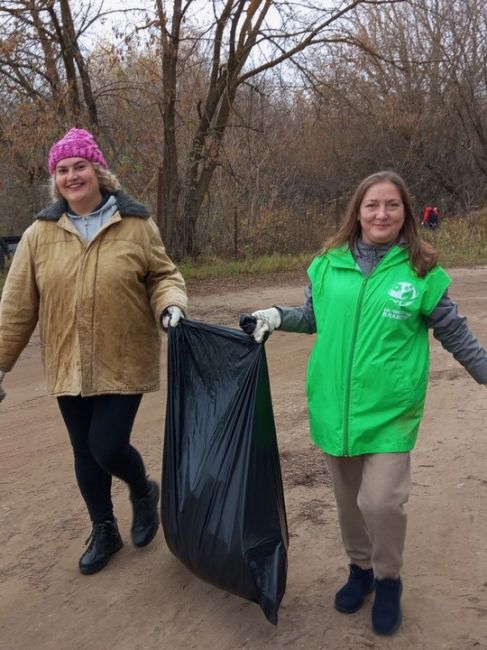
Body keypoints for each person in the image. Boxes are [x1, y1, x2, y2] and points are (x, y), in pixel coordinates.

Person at [241, 171, 487, 635]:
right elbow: (313, 316)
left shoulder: (421, 271)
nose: (381, 213)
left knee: (382, 502)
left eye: (392, 205)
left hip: (391, 411)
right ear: (357, 211)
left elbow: (455, 331)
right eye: (372, 205)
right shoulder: (327, 264)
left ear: (406, 214)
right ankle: (361, 570)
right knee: (349, 502)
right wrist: (275, 317)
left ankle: (389, 579)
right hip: (334, 407)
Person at [0, 128, 188, 575]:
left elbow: (163, 276)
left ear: (98, 172)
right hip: (68, 360)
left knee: (106, 445)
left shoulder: (137, 225)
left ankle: (143, 491)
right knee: (83, 451)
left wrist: (171, 307)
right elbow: (17, 305)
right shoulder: (38, 235)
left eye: (79, 166)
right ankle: (104, 528)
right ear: (55, 180)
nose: (71, 176)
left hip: (123, 356)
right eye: (62, 170)